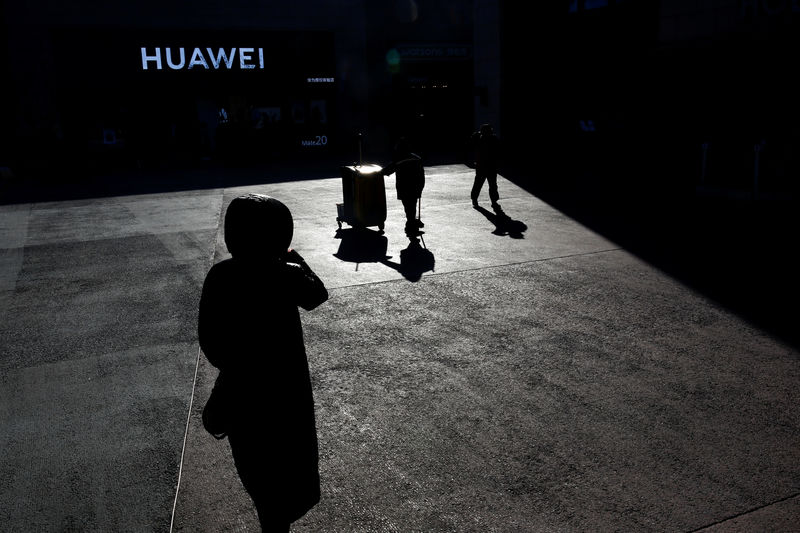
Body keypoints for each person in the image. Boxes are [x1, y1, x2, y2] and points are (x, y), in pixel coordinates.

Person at [198, 193, 329, 532]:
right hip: (288, 396)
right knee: (288, 477)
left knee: (260, 479)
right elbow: (318, 294)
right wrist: (289, 256)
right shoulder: (286, 274)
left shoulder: (221, 276)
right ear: (280, 236)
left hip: (243, 398)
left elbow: (212, 346)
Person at [381, 138, 426, 237]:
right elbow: (422, 174)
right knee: (412, 207)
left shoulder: (399, 159)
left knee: (408, 207)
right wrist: (420, 188)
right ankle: (411, 224)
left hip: (404, 188)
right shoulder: (417, 158)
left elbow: (388, 170)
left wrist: (378, 173)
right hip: (415, 187)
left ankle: (411, 226)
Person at [470, 123, 500, 209]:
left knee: (479, 184)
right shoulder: (491, 139)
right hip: (489, 166)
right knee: (492, 185)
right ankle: (493, 201)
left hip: (483, 166)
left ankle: (475, 199)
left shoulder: (479, 138)